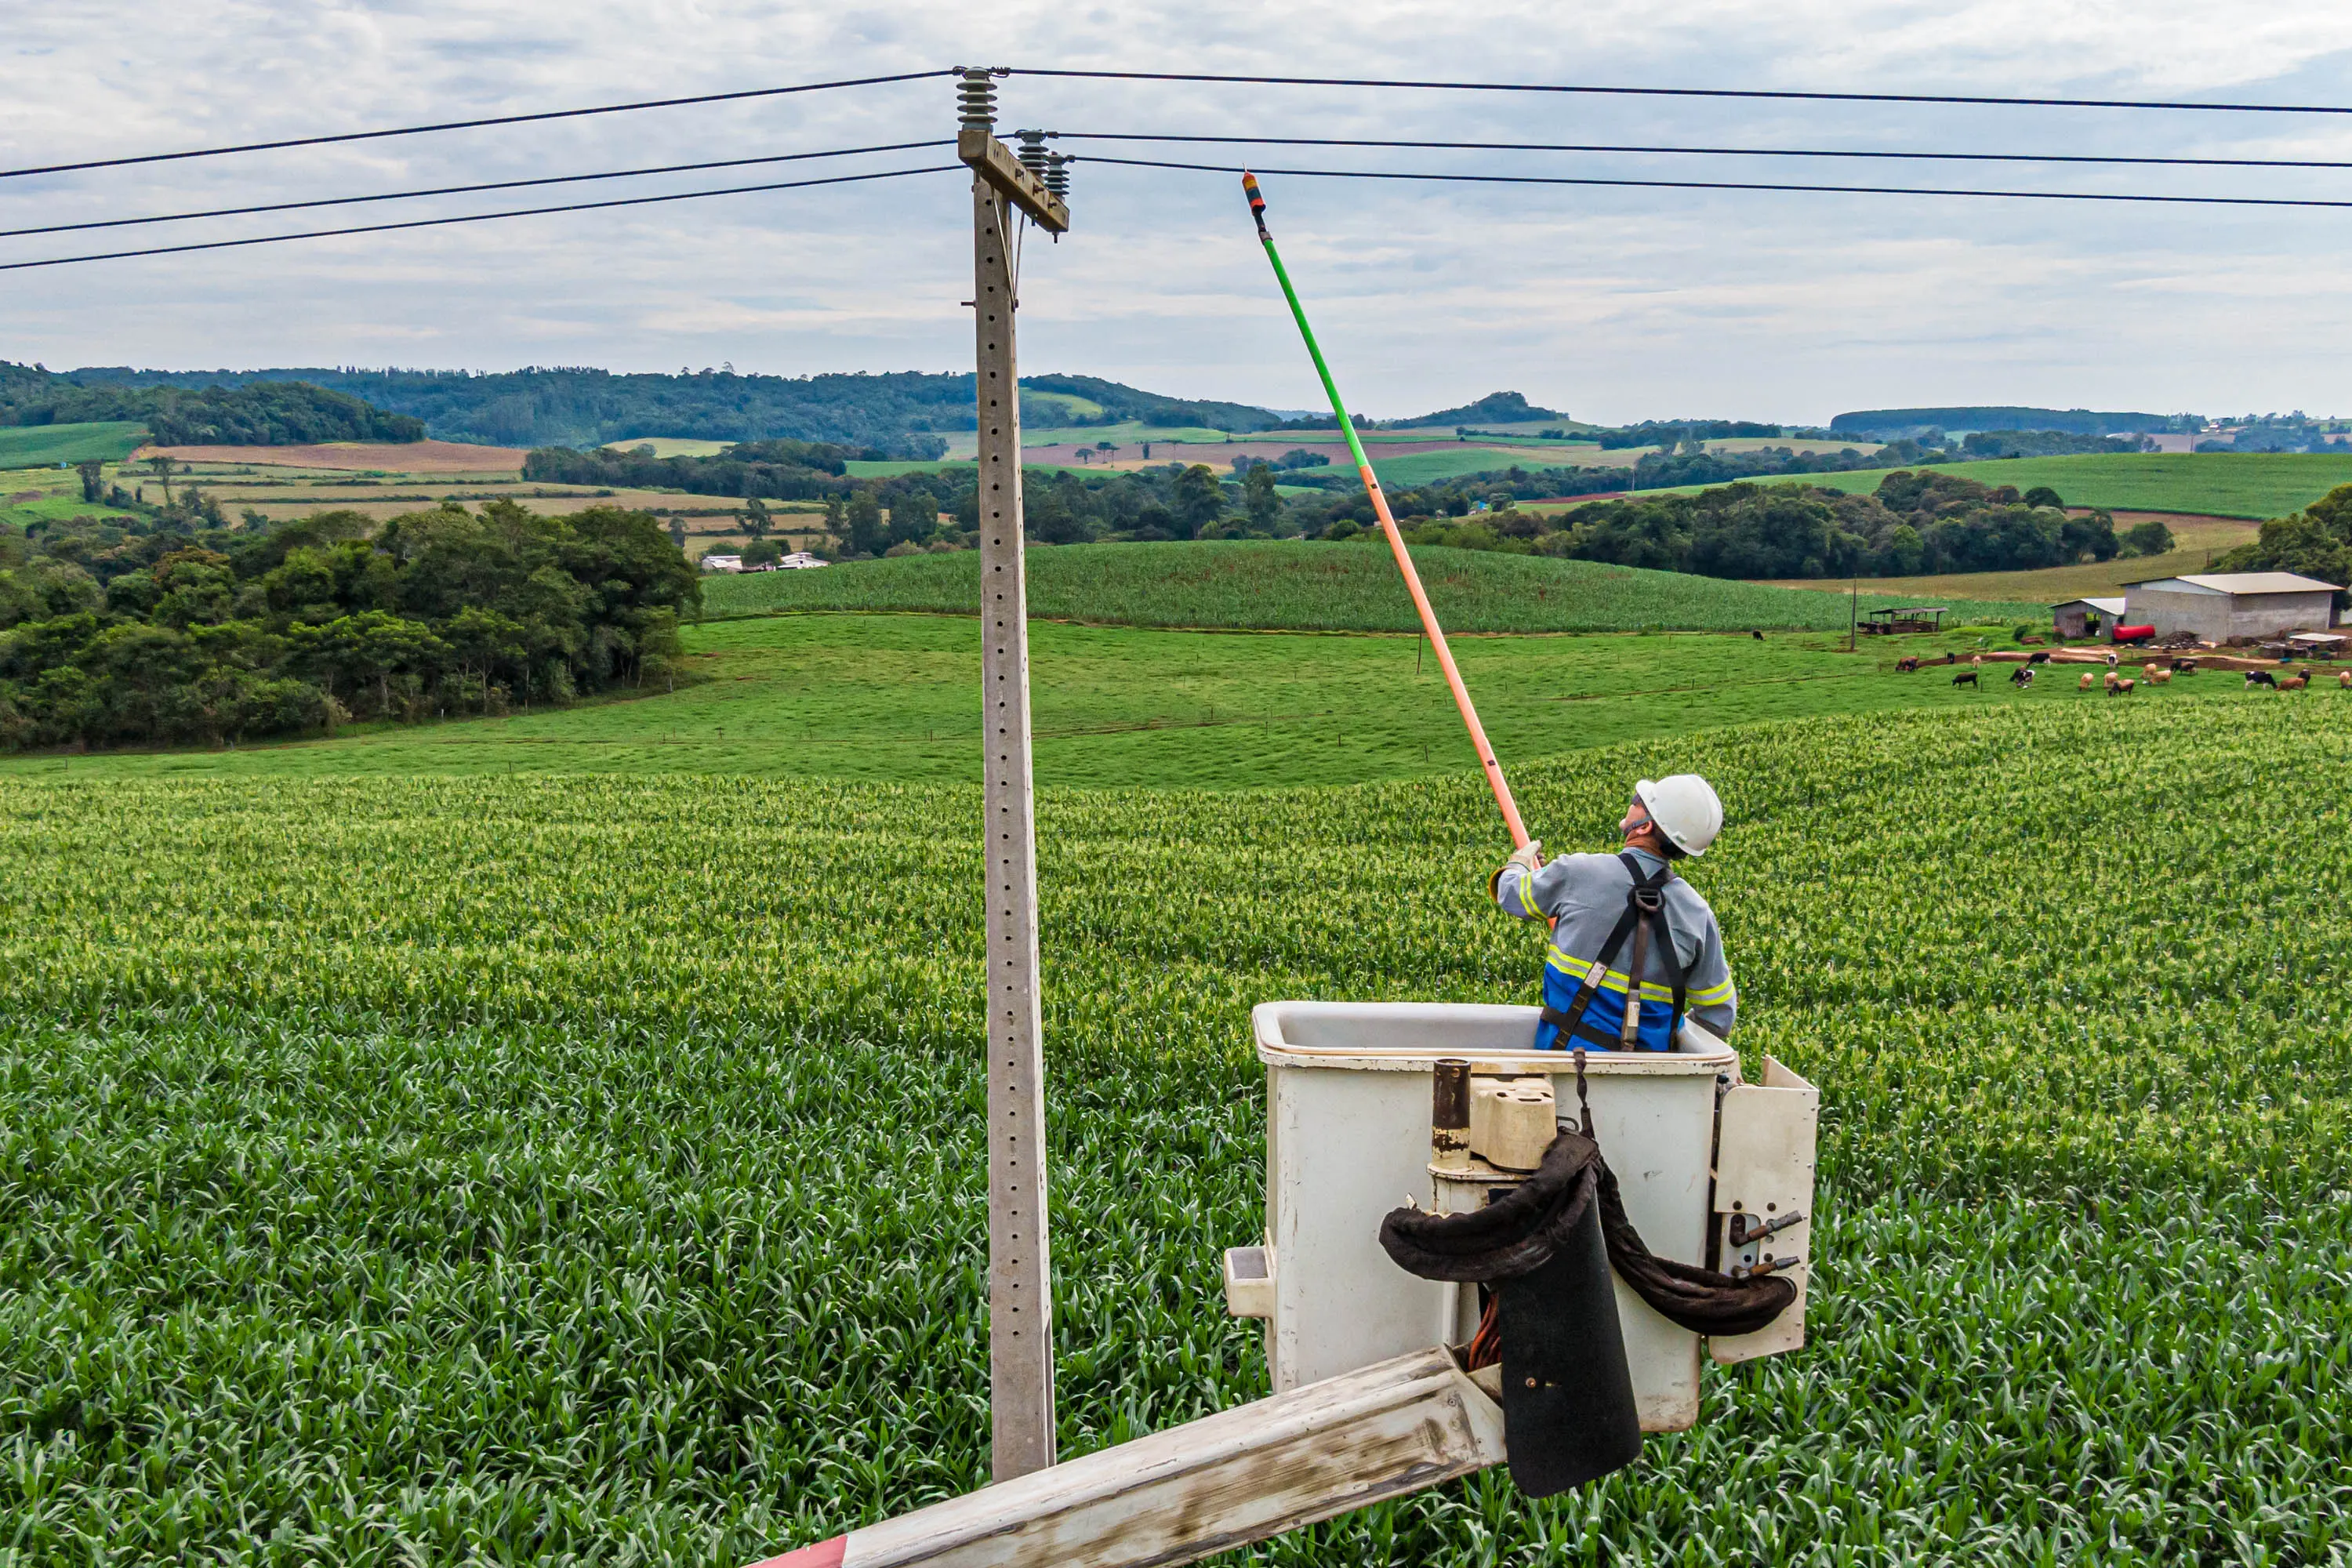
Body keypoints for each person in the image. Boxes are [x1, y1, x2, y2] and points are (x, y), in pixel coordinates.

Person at [1490, 775, 1736, 1052]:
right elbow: (1718, 1015)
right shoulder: (1698, 913)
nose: (1631, 804)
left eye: (1637, 802)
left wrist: (1517, 865)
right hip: (1654, 1080)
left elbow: (1511, 895)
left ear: (1644, 826)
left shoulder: (1578, 873)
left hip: (1566, 1065)